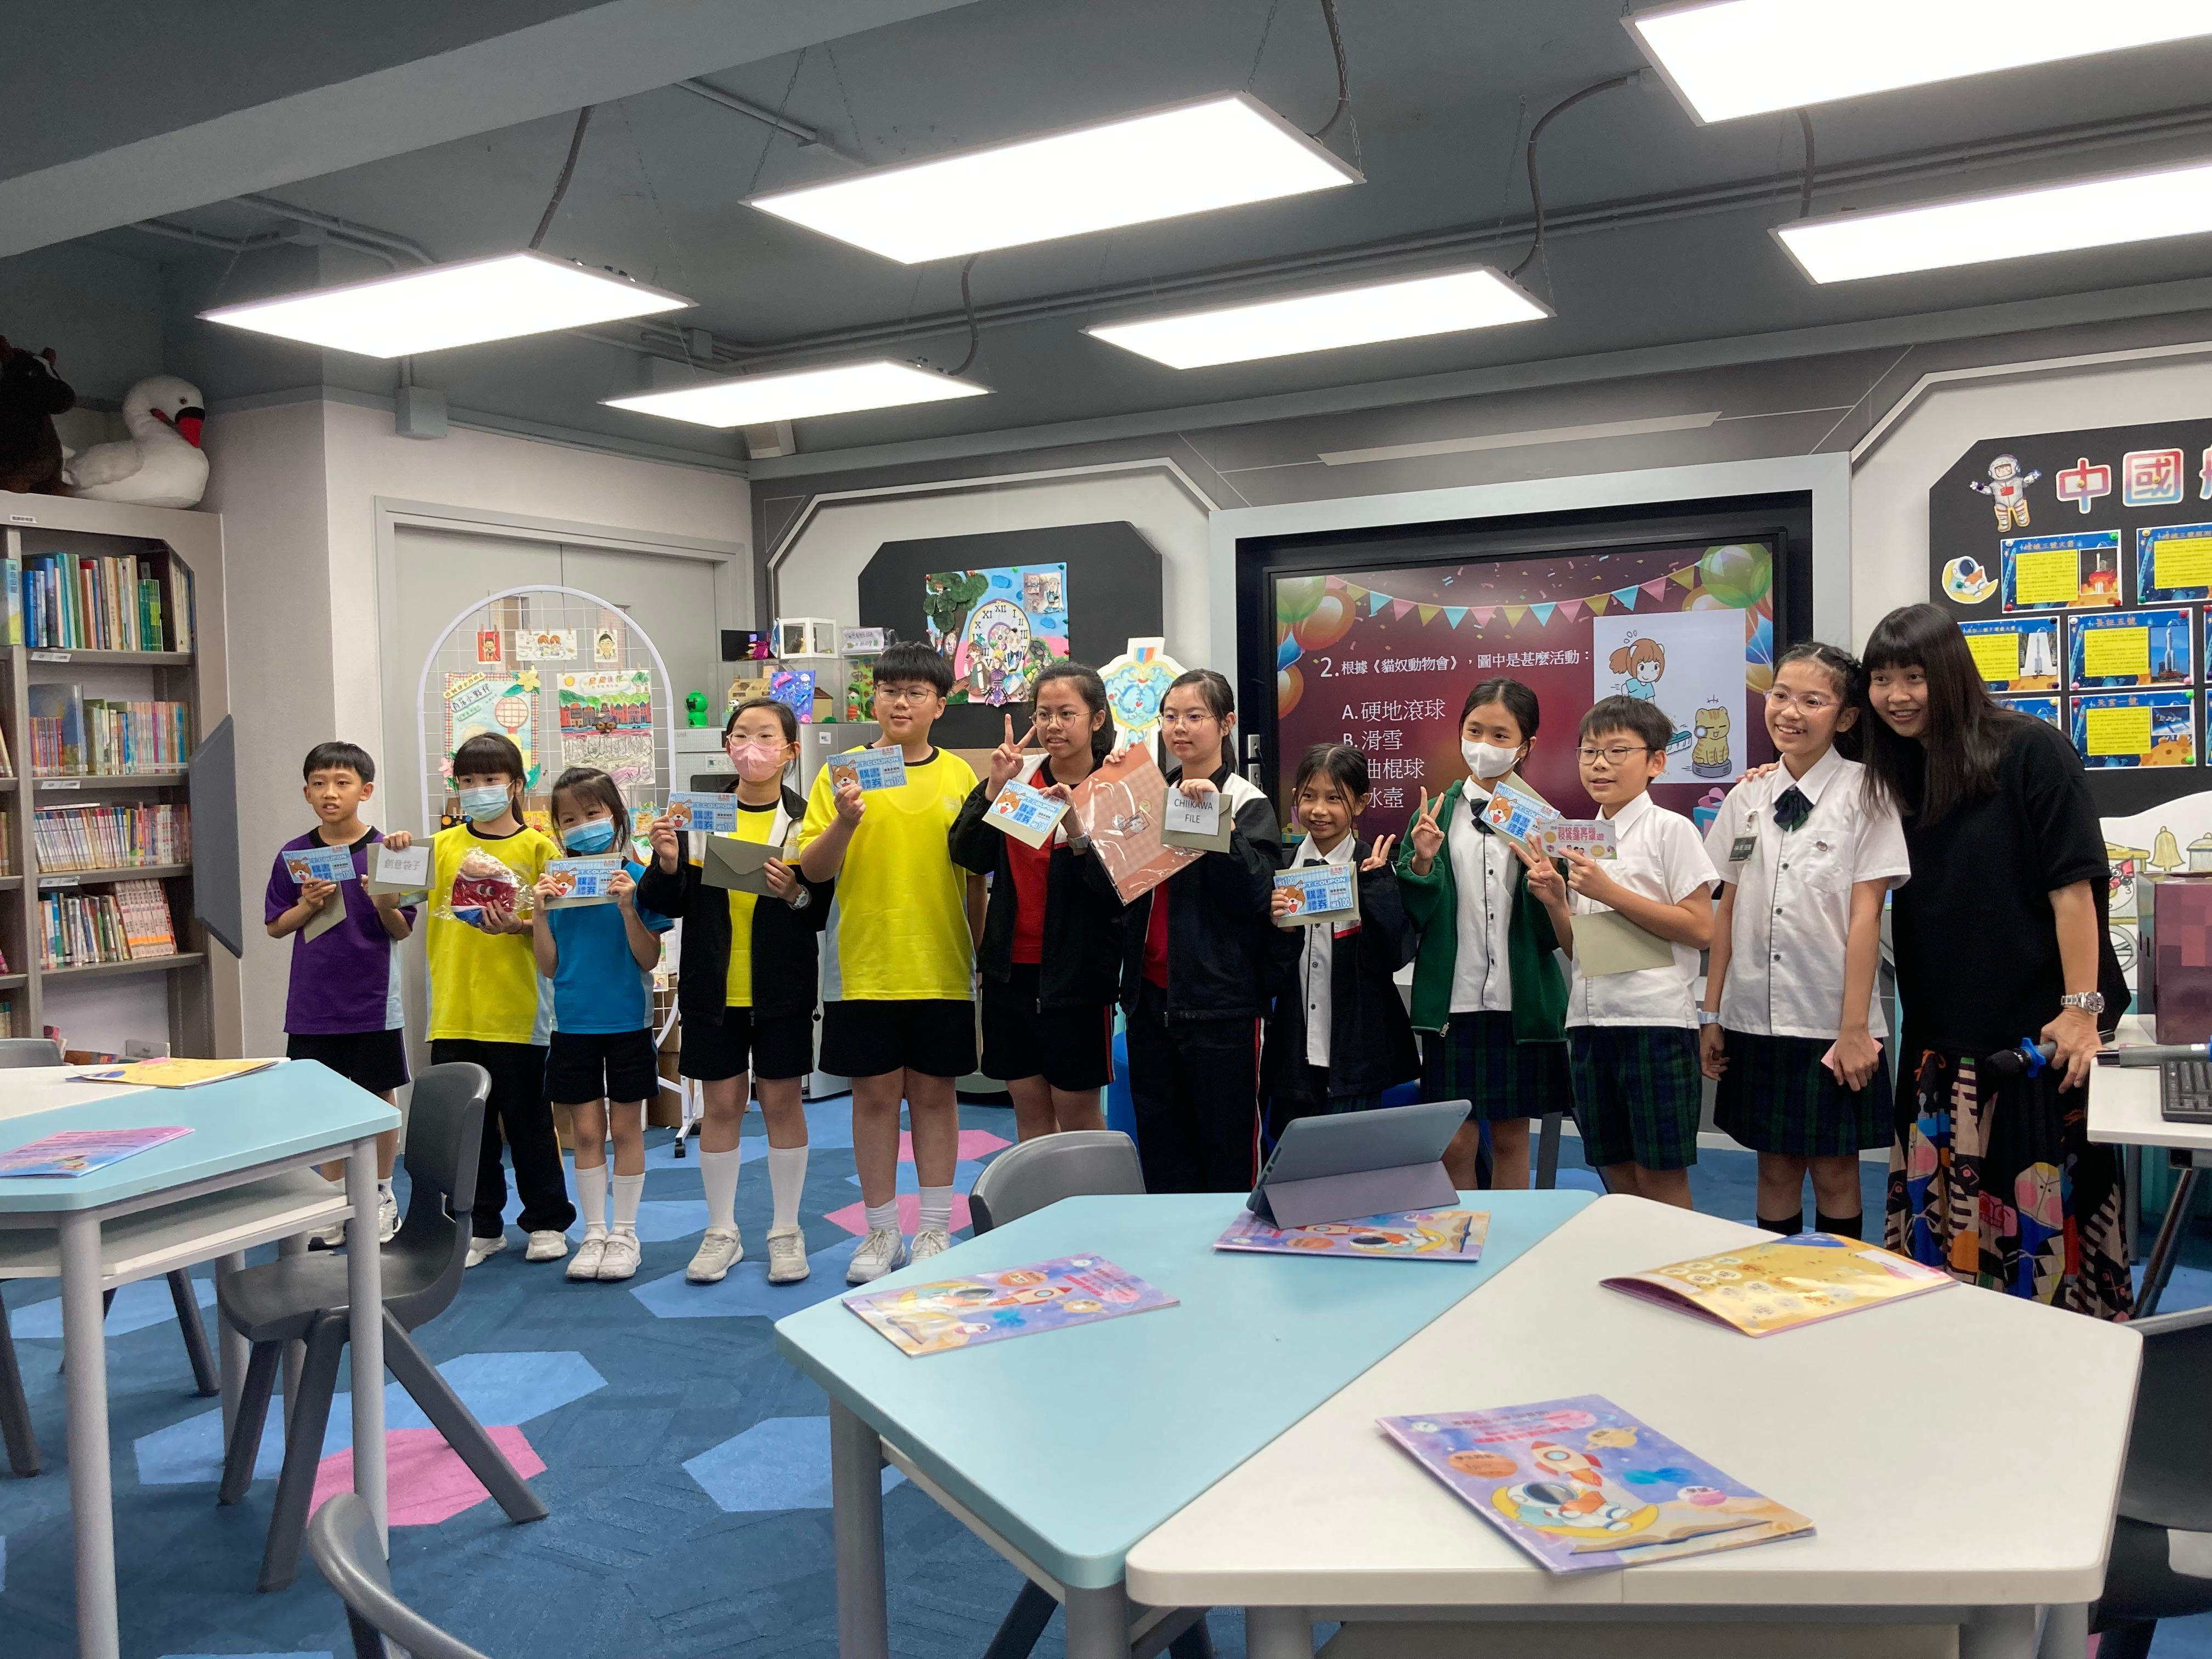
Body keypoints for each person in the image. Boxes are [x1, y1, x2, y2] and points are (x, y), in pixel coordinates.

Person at [1860, 602, 2131, 1318]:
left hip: (2034, 1040)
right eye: (1882, 680)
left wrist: (2081, 1012)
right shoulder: (1896, 765)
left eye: (1914, 677)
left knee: (2039, 1230)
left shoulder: (2030, 749)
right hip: (1939, 1036)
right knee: (1939, 1243)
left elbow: (2075, 889)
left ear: (1950, 673)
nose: (1896, 696)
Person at [1699, 644, 1909, 1238]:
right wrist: (1711, 1014)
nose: (1790, 712)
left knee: (1837, 1171)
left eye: (1812, 701)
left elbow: (1866, 916)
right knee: (1773, 1167)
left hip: (1830, 1020)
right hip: (1753, 1017)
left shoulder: (1867, 794)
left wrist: (1854, 1029)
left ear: (1845, 717)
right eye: (1781, 695)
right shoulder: (1746, 796)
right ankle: (1779, 1282)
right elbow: (1727, 906)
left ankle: (1836, 1285)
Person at [797, 642, 986, 1283]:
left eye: (915, 692)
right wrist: (845, 822)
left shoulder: (959, 776)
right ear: (872, 699)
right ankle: (879, 1233)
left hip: (940, 963)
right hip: (863, 963)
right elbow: (813, 870)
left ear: (940, 704)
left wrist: (976, 955)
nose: (900, 703)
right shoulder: (842, 773)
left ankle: (934, 1229)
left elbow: (975, 878)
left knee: (935, 1097)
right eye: (889, 691)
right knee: (874, 1098)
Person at [638, 697, 830, 1287]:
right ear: (727, 746)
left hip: (782, 989)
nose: (753, 747)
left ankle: (786, 1230)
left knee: (782, 1104)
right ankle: (721, 1231)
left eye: (767, 736)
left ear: (790, 750)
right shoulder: (699, 815)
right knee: (720, 1107)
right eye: (742, 735)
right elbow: (666, 905)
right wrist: (667, 862)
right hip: (712, 988)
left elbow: (818, 910)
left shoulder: (805, 821)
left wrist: (793, 892)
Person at [387, 732, 574, 1267]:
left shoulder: (540, 849)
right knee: (469, 1132)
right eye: (467, 780)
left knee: (530, 1124)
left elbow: (562, 929)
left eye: (491, 779)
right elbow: (391, 903)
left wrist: (519, 925)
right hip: (454, 1012)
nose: (479, 789)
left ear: (516, 785)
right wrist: (393, 856)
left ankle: (546, 1221)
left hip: (519, 1013)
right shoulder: (439, 847)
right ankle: (481, 1225)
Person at [1106, 670, 1287, 1194]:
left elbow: (1256, 896)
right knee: (1163, 1149)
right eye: (1170, 717)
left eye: (1194, 716)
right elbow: (1117, 886)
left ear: (1227, 723)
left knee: (1227, 1151)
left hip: (1221, 1006)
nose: (1179, 728)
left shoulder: (1246, 801)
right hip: (1151, 1002)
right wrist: (1105, 802)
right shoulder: (1149, 795)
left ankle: (1236, 1244)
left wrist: (1218, 824)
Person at [1397, 679, 1572, 1191]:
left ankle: (1509, 1236)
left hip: (1519, 1001)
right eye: (1474, 731)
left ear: (1525, 746)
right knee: (1457, 1140)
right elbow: (1412, 917)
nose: (1484, 745)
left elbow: (1551, 931)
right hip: (1454, 1002)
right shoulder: (1433, 816)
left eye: (1500, 735)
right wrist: (1422, 864)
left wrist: (1548, 888)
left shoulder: (1543, 821)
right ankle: (1465, 1231)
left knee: (1513, 1135)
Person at [1554, 695, 1717, 1207]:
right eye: (1589, 752)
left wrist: (1609, 892)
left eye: (1617, 751)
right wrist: (1555, 901)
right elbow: (1578, 947)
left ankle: (1673, 1258)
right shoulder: (1583, 838)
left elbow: (1701, 928)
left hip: (1654, 1024)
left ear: (1656, 762)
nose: (1599, 764)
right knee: (1613, 1167)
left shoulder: (1672, 829)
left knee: (1660, 1172)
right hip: (1589, 1022)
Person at [950, 663, 1124, 1141]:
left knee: (1077, 1107)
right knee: (1027, 1100)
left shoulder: (1117, 786)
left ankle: (1092, 1192)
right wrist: (993, 788)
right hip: (1010, 971)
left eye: (1067, 713)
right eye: (1043, 714)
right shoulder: (1018, 778)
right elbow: (968, 855)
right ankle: (1040, 1192)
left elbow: (1120, 894)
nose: (1053, 725)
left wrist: (1077, 832)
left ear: (1097, 719)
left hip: (1078, 975)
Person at [264, 741, 415, 1246]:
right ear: (306, 792)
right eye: (320, 783)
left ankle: (380, 1195)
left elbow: (402, 930)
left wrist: (384, 900)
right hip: (313, 1005)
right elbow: (276, 927)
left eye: (342, 783)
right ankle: (332, 1200)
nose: (330, 792)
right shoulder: (294, 855)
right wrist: (307, 906)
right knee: (321, 1103)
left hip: (373, 1000)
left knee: (378, 1095)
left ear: (365, 791)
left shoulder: (390, 850)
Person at [532, 767, 673, 1283]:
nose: (582, 826)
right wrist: (540, 914)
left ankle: (625, 1233)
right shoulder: (557, 885)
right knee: (587, 1133)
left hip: (628, 1023)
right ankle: (593, 1232)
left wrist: (629, 909)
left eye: (592, 814)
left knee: (626, 1128)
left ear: (615, 815)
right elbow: (550, 966)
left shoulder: (636, 878)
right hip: (573, 1026)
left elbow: (648, 958)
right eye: (569, 819)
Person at [1263, 743, 1417, 1138]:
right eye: (1309, 796)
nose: (1319, 810)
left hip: (1356, 1055)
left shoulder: (1374, 867)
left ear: (1361, 803)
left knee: (1353, 1157)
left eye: (1334, 798)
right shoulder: (1281, 869)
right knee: (1292, 1157)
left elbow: (1392, 958)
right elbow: (1264, 975)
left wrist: (1377, 889)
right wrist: (1281, 932)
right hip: (1293, 1054)